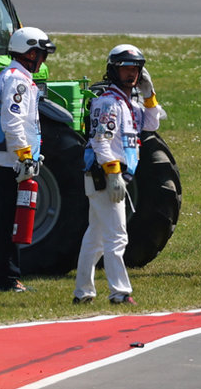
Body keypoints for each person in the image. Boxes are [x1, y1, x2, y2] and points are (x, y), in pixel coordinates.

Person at [73, 45, 164, 306]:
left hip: (112, 177)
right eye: (125, 68)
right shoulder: (108, 103)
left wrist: (149, 95)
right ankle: (119, 293)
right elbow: (101, 142)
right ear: (113, 70)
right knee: (117, 237)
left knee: (96, 237)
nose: (131, 74)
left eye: (135, 69)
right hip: (106, 177)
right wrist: (113, 175)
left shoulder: (129, 104)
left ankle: (83, 292)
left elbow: (151, 124)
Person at [0, 26, 56, 292]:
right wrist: (24, 157)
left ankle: (8, 277)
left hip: (3, 158)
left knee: (9, 220)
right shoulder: (18, 80)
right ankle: (6, 279)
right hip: (9, 161)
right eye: (41, 54)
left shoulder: (8, 76)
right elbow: (12, 121)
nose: (43, 61)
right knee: (9, 222)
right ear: (30, 53)